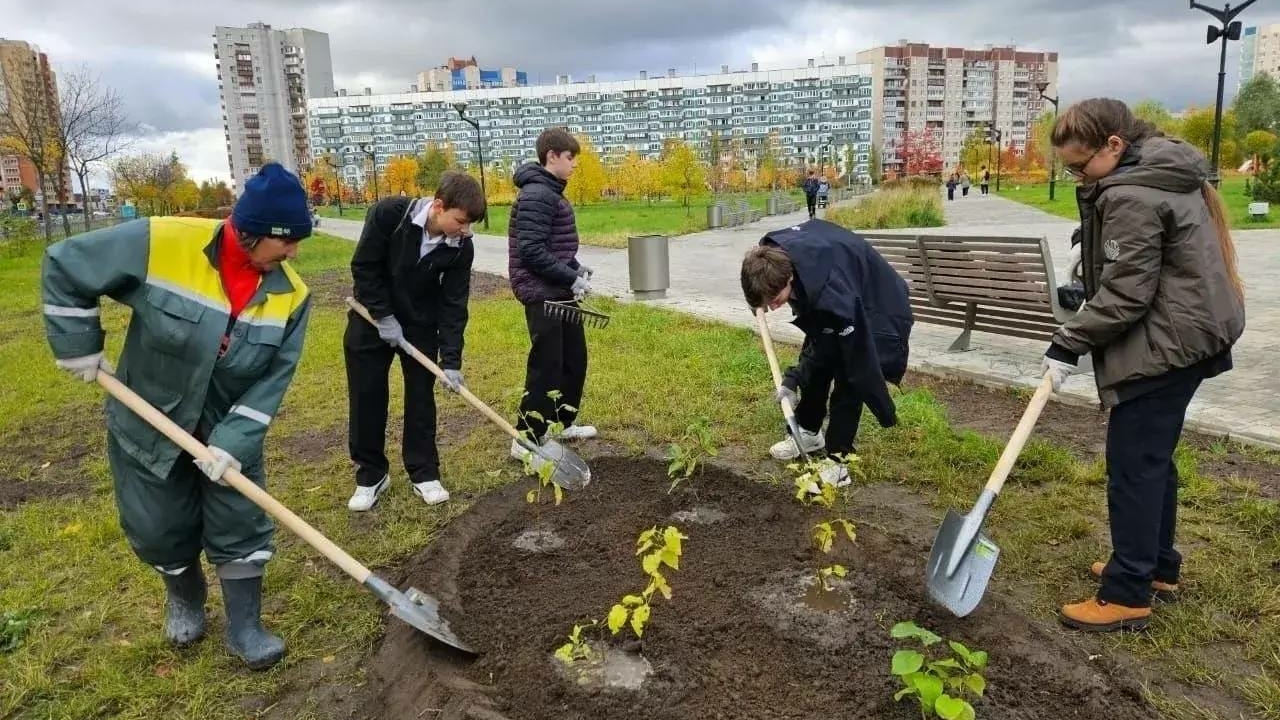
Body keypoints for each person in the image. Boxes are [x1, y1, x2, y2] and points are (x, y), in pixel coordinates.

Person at [41, 162, 313, 669]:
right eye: (287, 241)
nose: (294, 253)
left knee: (240, 519)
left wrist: (234, 440)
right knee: (158, 523)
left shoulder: (291, 296)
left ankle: (245, 626)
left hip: (229, 423)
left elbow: (273, 378)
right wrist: (77, 345)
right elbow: (65, 264)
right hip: (151, 412)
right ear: (252, 233)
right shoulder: (163, 241)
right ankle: (185, 598)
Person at [1042, 98, 1245, 632]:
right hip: (1191, 333)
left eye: (1080, 167)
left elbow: (1129, 296)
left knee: (1132, 466)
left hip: (1167, 344)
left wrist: (1069, 340)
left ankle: (1128, 590)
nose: (1076, 177)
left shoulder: (1132, 192)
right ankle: (1157, 566)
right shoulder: (1159, 171)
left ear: (1114, 145)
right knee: (1152, 459)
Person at [345, 172, 487, 511]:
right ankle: (371, 474)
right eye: (461, 221)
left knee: (421, 397)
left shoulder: (460, 248)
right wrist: (382, 315)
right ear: (438, 206)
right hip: (370, 321)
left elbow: (454, 305)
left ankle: (424, 471)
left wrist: (451, 361)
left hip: (420, 327)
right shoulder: (389, 215)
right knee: (367, 396)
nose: (465, 230)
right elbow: (364, 267)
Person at [740, 219, 913, 488]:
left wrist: (793, 379)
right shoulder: (769, 256)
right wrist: (758, 299)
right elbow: (817, 339)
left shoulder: (831, 297)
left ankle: (838, 459)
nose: (772, 308)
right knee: (820, 360)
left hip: (879, 307)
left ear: (790, 278)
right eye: (767, 303)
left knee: (848, 376)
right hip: (844, 276)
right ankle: (808, 431)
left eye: (775, 301)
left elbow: (853, 362)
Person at [508, 127, 597, 466]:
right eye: (571, 157)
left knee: (573, 359)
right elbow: (531, 251)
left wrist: (576, 267)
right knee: (546, 365)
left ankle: (561, 423)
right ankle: (526, 436)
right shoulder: (536, 195)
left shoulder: (551, 192)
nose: (575, 164)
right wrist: (570, 276)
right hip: (540, 292)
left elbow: (554, 248)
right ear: (552, 156)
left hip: (558, 289)